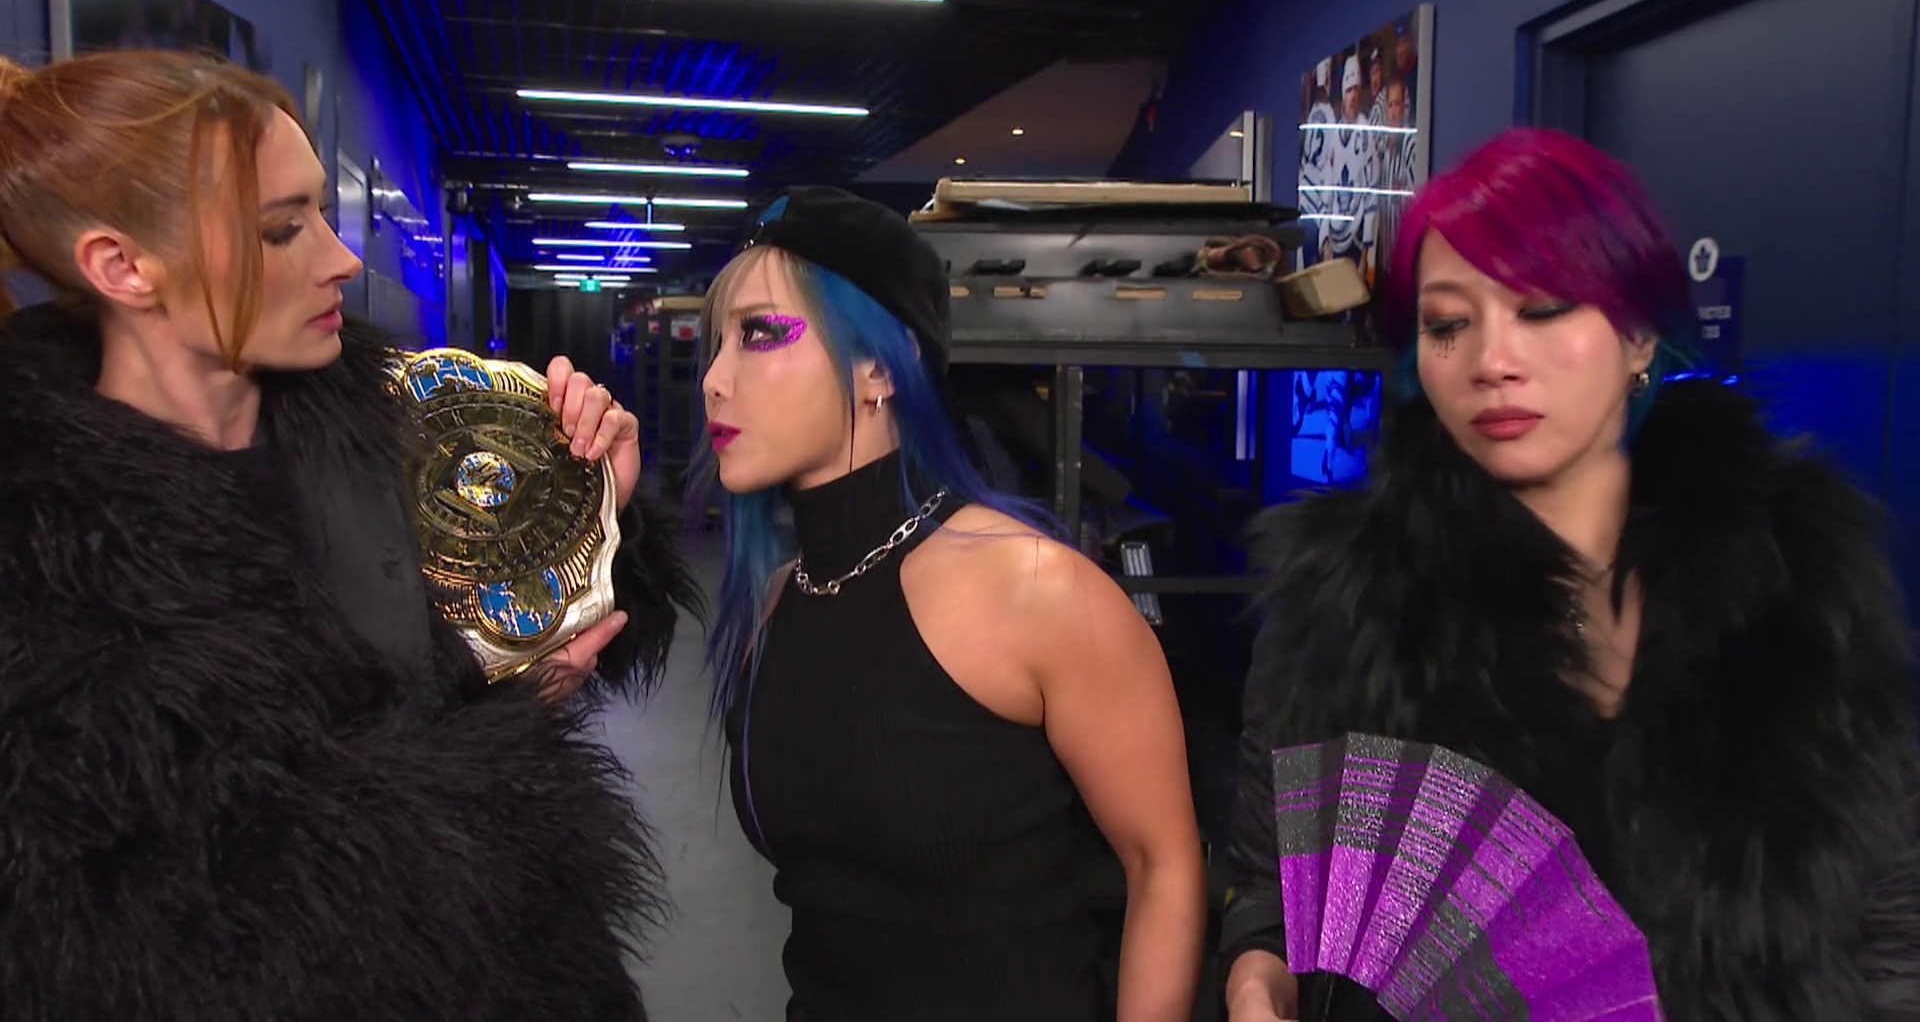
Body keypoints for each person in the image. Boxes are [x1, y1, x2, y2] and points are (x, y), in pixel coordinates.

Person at [0, 50, 700, 1019]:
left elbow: (510, 633)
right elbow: (156, 940)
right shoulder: (39, 558)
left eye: (322, 213)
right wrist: (506, 737)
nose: (340, 258)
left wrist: (589, 505)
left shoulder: (405, 425)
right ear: (122, 267)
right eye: (282, 229)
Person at [1221, 128, 1920, 1021]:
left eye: (1544, 309)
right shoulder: (1342, 611)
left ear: (1638, 337)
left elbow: (1892, 922)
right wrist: (1255, 977)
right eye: (1447, 325)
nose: (1492, 362)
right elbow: (1271, 894)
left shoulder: (1803, 586)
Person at [696, 186, 1207, 1022]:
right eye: (718, 344)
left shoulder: (1036, 591)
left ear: (878, 367)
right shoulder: (778, 604)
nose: (715, 380)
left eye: (760, 334)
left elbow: (1164, 865)